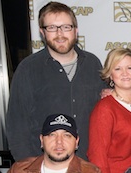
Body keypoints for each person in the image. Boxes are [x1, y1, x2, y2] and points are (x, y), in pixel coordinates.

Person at [6, 1, 106, 161]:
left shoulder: (93, 64)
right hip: (44, 169)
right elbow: (17, 125)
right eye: (52, 27)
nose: (60, 34)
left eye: (66, 27)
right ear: (42, 32)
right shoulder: (28, 69)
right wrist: (28, 169)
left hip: (88, 168)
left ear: (76, 30)